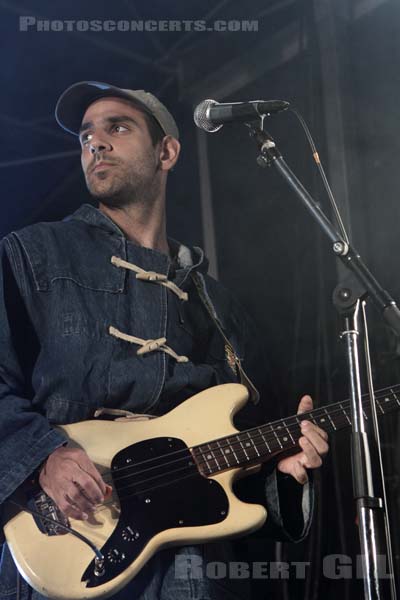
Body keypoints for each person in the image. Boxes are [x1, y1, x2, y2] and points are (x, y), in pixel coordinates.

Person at [0, 81, 329, 600]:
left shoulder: (220, 307)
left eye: (118, 127)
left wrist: (282, 473)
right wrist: (42, 456)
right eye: (86, 135)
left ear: (167, 152)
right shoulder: (31, 253)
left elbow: (233, 471)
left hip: (193, 566)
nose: (95, 143)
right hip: (69, 538)